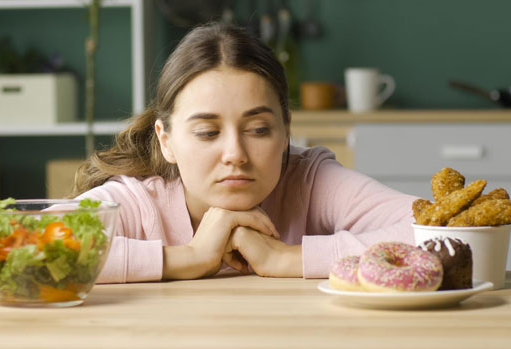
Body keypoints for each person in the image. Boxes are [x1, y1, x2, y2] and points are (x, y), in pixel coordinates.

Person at [71, 22, 416, 283]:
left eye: (258, 130)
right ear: (166, 141)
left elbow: (443, 233)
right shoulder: (135, 203)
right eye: (208, 132)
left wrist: (287, 259)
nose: (235, 154)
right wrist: (188, 257)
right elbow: (22, 250)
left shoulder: (310, 181)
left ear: (285, 132)